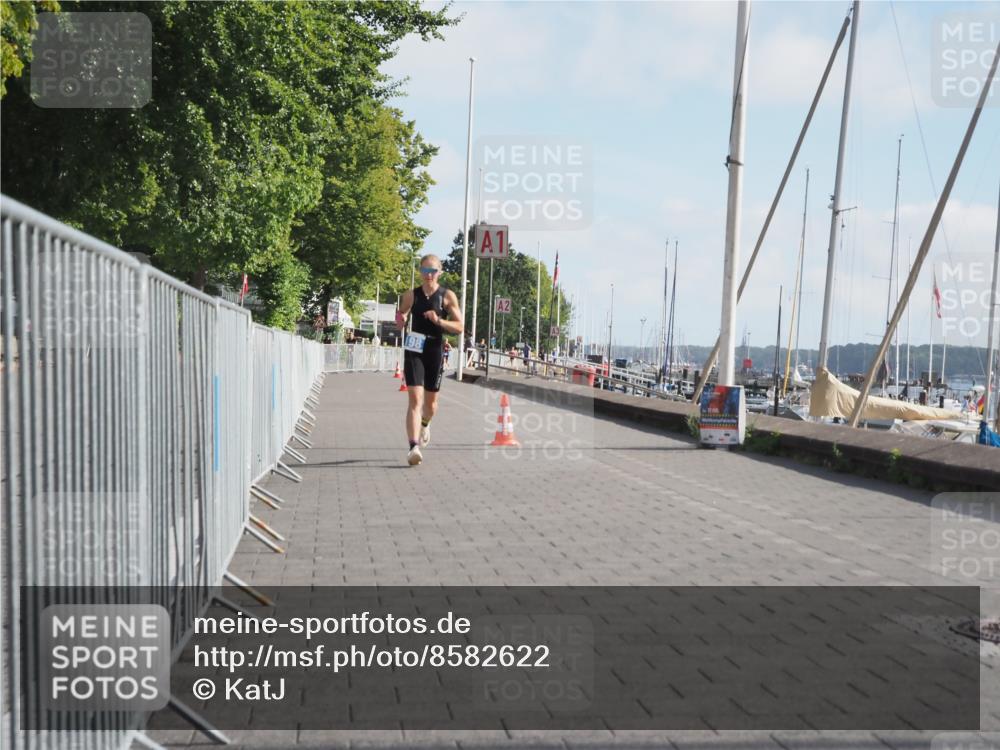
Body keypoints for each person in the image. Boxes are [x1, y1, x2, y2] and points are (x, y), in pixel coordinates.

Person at [396, 255, 464, 466]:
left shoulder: (447, 296)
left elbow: (460, 327)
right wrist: (402, 320)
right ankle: (413, 447)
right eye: (425, 271)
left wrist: (439, 320)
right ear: (420, 272)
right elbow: (399, 317)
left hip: (435, 348)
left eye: (432, 271)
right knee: (415, 400)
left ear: (439, 273)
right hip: (414, 347)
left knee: (431, 404)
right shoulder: (411, 295)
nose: (428, 276)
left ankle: (425, 424)